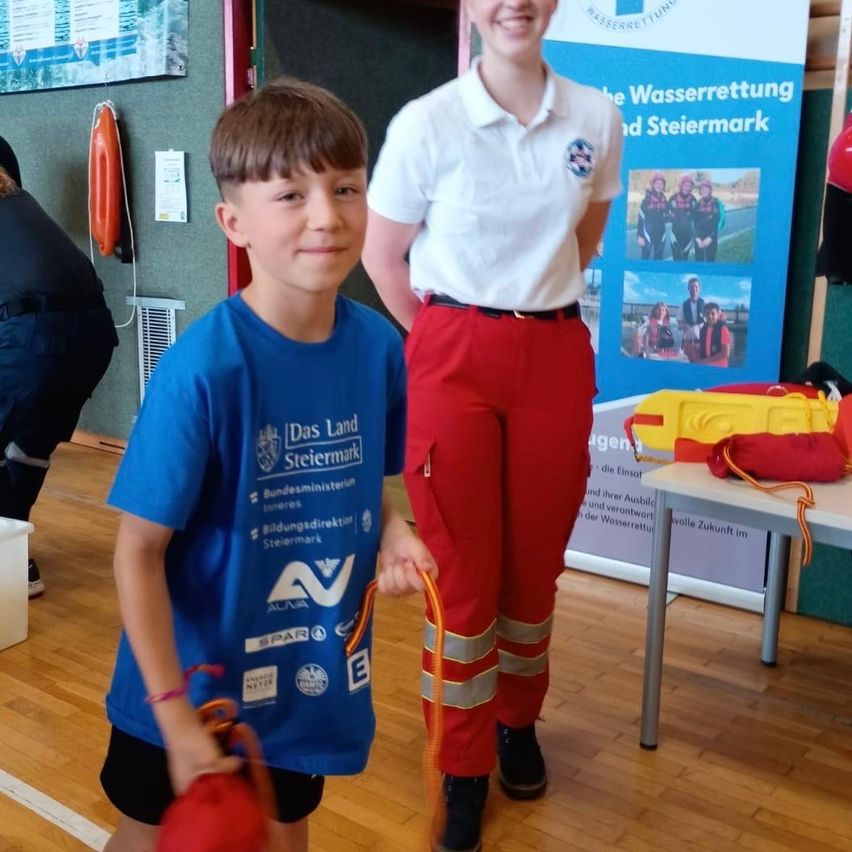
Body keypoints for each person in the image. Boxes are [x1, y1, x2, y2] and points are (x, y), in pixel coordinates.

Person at [99, 79, 436, 852]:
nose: (327, 216)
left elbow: (364, 488)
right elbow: (138, 551)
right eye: (290, 195)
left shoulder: (380, 349)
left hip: (308, 680)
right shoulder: (203, 369)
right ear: (234, 223)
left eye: (345, 188)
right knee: (147, 840)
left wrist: (394, 533)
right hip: (186, 689)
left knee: (286, 837)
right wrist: (174, 717)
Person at [363, 2, 623, 849]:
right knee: (462, 577)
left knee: (533, 572)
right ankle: (462, 764)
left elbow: (584, 242)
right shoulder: (426, 122)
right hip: (453, 351)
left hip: (552, 352)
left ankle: (517, 721)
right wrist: (445, 337)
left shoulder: (596, 117)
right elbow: (381, 256)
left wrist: (514, 314)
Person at [0, 135, 118, 598]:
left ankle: (12, 562)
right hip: (93, 335)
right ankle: (13, 562)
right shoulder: (18, 203)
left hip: (34, 335)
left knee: (19, 439)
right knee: (27, 446)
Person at [636, 172, 668, 259]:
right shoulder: (646, 200)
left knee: (658, 257)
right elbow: (641, 218)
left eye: (661, 184)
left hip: (661, 232)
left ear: (663, 186)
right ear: (653, 184)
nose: (659, 186)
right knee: (645, 257)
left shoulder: (664, 199)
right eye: (657, 183)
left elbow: (667, 215)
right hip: (647, 234)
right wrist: (639, 236)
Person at [694, 179, 725, 262]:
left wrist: (710, 238)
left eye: (706, 188)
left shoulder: (717, 203)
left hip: (711, 238)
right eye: (702, 188)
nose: (704, 190)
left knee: (710, 262)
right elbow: (693, 223)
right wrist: (697, 238)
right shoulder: (697, 204)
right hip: (699, 239)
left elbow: (721, 221)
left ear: (710, 190)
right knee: (699, 263)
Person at [668, 174, 697, 261]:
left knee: (684, 259)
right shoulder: (673, 198)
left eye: (689, 186)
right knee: (676, 260)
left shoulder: (693, 200)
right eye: (685, 185)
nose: (687, 188)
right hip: (675, 235)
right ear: (681, 185)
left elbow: (697, 218)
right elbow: (665, 214)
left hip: (688, 235)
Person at [696, 302, 731, 367]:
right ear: (704, 315)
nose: (710, 316)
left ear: (718, 314)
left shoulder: (723, 329)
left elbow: (725, 354)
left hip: (720, 366)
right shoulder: (703, 329)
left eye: (713, 313)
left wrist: (704, 361)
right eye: (707, 313)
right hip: (705, 365)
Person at [679, 276, 705, 361]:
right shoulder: (683, 305)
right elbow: (680, 321)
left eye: (696, 286)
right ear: (688, 289)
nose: (694, 289)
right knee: (688, 361)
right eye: (691, 287)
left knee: (701, 361)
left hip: (702, 339)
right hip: (688, 339)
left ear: (699, 288)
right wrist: (683, 325)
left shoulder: (705, 304)